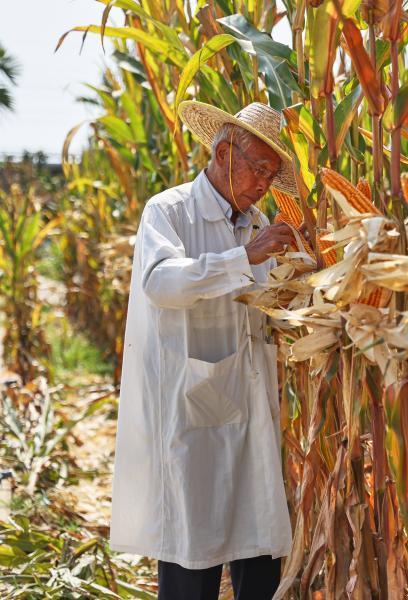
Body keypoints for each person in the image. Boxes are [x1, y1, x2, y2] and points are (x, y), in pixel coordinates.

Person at [109, 101, 310, 600]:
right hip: (192, 411)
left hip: (251, 408)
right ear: (223, 154)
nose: (264, 184)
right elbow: (161, 283)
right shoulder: (169, 211)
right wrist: (245, 256)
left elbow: (267, 305)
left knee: (259, 551)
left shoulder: (257, 222)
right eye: (258, 169)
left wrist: (304, 281)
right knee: (192, 553)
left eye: (271, 174)